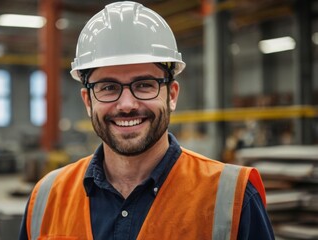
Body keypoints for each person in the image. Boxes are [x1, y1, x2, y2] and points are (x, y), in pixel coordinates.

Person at [19, 1, 274, 239]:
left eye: (144, 85)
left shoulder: (232, 199)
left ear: (171, 95)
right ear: (88, 101)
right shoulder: (46, 198)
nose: (127, 104)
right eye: (108, 87)